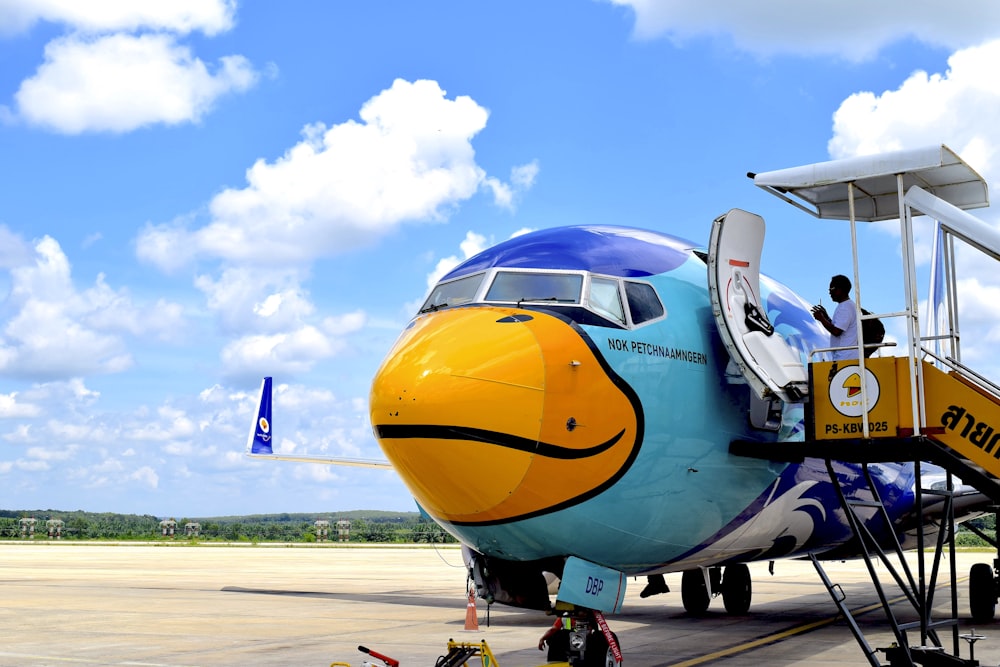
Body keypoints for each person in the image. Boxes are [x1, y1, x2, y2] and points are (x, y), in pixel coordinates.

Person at [810, 274, 858, 360]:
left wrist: (821, 319)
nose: (829, 292)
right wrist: (826, 318)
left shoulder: (845, 307)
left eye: (831, 289)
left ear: (840, 289)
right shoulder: (848, 305)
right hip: (847, 356)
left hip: (845, 357)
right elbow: (839, 327)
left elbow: (836, 331)